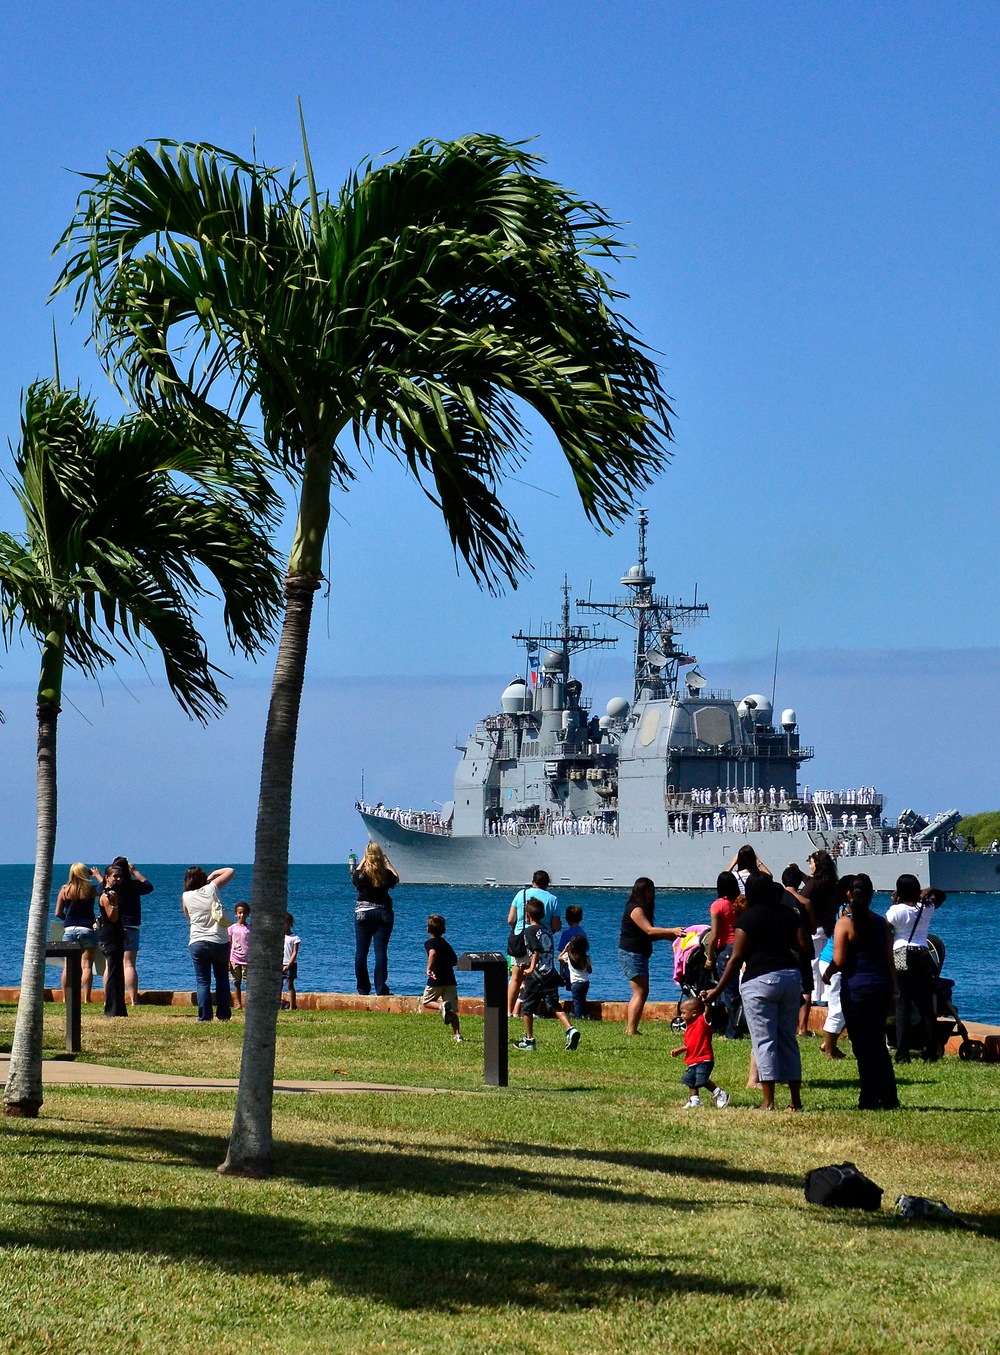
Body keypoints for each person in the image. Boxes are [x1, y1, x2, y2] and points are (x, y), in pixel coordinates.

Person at [705, 872, 808, 1111]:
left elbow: (736, 957)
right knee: (787, 1040)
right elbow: (805, 947)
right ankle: (795, 1101)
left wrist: (716, 989)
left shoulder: (747, 919)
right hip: (790, 978)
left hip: (759, 980)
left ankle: (768, 1101)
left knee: (764, 1041)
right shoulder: (789, 914)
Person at [822, 873, 899, 1110]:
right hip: (880, 986)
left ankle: (868, 1097)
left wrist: (828, 973)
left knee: (862, 1045)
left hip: (856, 989)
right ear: (871, 895)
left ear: (848, 895)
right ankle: (888, 1096)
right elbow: (889, 961)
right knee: (877, 1042)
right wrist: (894, 992)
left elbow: (839, 959)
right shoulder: (881, 923)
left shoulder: (844, 923)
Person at [617, 877, 683, 1036]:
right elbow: (648, 930)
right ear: (640, 891)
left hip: (638, 953)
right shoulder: (635, 909)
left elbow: (647, 935)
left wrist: (668, 937)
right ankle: (631, 1029)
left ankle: (631, 1028)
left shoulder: (641, 909)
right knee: (640, 992)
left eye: (653, 891)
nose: (651, 895)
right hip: (632, 954)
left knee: (641, 991)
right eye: (648, 891)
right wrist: (671, 931)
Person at [886, 875, 941, 1063]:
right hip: (922, 955)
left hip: (902, 955)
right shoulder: (926, 908)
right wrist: (930, 890)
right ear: (918, 890)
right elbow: (941, 898)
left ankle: (902, 1052)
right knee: (926, 1006)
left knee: (903, 1005)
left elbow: (886, 929)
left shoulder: (895, 911)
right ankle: (931, 1051)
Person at [514, 898, 580, 1052]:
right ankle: (570, 1029)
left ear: (527, 915)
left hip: (536, 976)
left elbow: (536, 950)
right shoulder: (547, 930)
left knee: (527, 1007)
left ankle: (529, 1040)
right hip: (550, 973)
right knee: (555, 1005)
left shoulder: (529, 930)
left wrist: (530, 968)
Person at [181, 866, 234, 1022]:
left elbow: (188, 917)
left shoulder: (186, 896)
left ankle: (205, 1015)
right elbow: (230, 871)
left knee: (203, 981)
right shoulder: (212, 888)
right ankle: (224, 1014)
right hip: (219, 940)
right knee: (222, 978)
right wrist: (212, 876)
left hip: (197, 940)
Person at [506, 870, 561, 1017]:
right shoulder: (553, 899)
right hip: (542, 940)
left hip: (521, 938)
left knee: (516, 978)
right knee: (539, 976)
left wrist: (518, 929)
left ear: (533, 881)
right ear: (548, 883)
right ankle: (534, 1011)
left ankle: (509, 1011)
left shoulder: (521, 894)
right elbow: (556, 926)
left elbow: (511, 919)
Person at [351, 843, 398, 996]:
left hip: (362, 913)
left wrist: (363, 861)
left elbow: (354, 877)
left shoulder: (362, 875)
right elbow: (396, 879)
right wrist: (387, 862)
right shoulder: (385, 874)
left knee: (361, 952)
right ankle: (380, 988)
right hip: (382, 912)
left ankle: (363, 988)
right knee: (380, 951)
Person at [107, 857, 154, 1007]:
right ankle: (134, 999)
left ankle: (108, 998)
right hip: (132, 927)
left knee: (110, 965)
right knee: (129, 964)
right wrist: (134, 871)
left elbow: (102, 887)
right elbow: (148, 886)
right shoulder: (133, 886)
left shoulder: (111, 888)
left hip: (114, 927)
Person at [817, 875, 855, 1060]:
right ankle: (830, 1051)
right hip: (834, 962)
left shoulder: (839, 909)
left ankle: (828, 1043)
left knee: (841, 1006)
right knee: (837, 1008)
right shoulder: (845, 913)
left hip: (830, 960)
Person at [670, 996, 729, 1109]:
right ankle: (694, 1100)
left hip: (704, 1059)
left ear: (694, 1013)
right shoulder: (688, 1028)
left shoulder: (702, 1021)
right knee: (690, 1080)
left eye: (683, 1013)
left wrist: (706, 1001)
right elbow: (689, 1044)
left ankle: (719, 1093)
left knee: (701, 1080)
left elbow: (707, 1011)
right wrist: (680, 1050)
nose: (681, 1016)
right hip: (692, 1059)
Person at [54, 863, 99, 1004]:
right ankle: (86, 998)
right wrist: (96, 875)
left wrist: (67, 920)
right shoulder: (90, 890)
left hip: (69, 930)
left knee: (68, 966)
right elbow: (106, 887)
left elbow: (57, 913)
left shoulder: (64, 890)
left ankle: (65, 998)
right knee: (86, 965)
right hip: (86, 929)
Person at [781, 864, 817, 1037]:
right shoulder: (806, 902)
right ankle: (802, 1028)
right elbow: (813, 929)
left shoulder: (777, 899)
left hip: (782, 948)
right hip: (802, 949)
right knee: (806, 988)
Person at [800, 849, 838, 1007]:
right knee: (825, 961)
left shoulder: (813, 884)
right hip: (828, 926)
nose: (809, 865)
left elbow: (804, 896)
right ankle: (828, 995)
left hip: (814, 927)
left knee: (813, 963)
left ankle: (815, 995)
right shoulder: (831, 882)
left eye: (811, 862)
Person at [707, 871, 742, 1039]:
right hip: (743, 945)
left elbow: (714, 935)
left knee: (729, 992)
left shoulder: (717, 905)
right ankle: (739, 1025)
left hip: (726, 949)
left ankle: (732, 1032)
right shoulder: (741, 902)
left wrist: (709, 957)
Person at [419, 913, 462, 1042]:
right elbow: (455, 960)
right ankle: (457, 1034)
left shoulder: (429, 943)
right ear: (444, 930)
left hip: (436, 979)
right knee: (452, 1009)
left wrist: (429, 969)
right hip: (450, 979)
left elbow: (432, 953)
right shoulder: (446, 944)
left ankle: (441, 1006)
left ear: (428, 930)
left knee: (426, 1001)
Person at [96, 863, 129, 1018]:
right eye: (115, 876)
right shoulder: (107, 895)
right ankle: (111, 1009)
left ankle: (119, 1009)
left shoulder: (115, 893)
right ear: (107, 878)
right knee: (113, 973)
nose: (118, 879)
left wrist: (123, 932)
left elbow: (117, 921)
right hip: (109, 938)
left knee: (118, 974)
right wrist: (114, 903)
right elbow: (112, 916)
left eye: (120, 876)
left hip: (116, 935)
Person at [559, 933, 592, 1020]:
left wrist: (565, 949)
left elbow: (559, 958)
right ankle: (585, 1015)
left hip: (575, 983)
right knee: (583, 999)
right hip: (585, 982)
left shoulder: (569, 957)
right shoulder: (586, 958)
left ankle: (578, 1017)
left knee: (577, 1001)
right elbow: (590, 971)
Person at [228, 902, 250, 1011]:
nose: (242, 915)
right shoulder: (232, 928)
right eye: (240, 913)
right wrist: (228, 960)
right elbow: (229, 944)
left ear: (248, 914)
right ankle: (238, 1004)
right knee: (236, 982)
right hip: (234, 959)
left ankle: (248, 1003)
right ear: (236, 914)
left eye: (244, 913)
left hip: (247, 961)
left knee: (248, 982)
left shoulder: (250, 929)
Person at [282, 913, 300, 1010]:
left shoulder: (294, 938)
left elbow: (294, 952)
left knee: (290, 984)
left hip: (290, 964)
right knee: (278, 985)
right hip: (281, 963)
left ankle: (292, 1006)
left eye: (286, 923)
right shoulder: (279, 937)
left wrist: (289, 964)